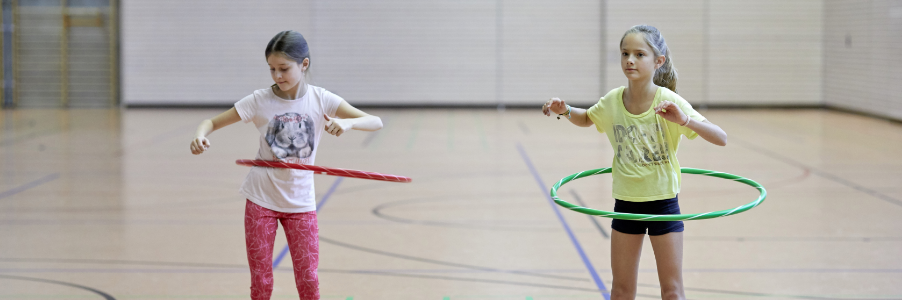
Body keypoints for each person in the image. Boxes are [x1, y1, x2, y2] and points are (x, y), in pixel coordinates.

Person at [189, 30, 382, 300]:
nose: (277, 76)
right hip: (261, 200)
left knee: (308, 280)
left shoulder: (320, 99)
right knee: (261, 281)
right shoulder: (259, 100)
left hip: (301, 203)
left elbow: (376, 122)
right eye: (271, 69)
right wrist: (200, 136)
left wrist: (348, 123)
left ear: (304, 65)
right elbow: (210, 123)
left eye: (284, 68)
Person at [541, 25, 727, 300]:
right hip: (626, 203)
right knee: (621, 290)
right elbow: (587, 118)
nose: (630, 59)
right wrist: (565, 111)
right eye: (625, 53)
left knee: (673, 291)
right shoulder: (613, 101)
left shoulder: (669, 102)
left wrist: (685, 121)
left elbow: (720, 137)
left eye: (639, 54)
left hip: (664, 203)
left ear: (658, 61)